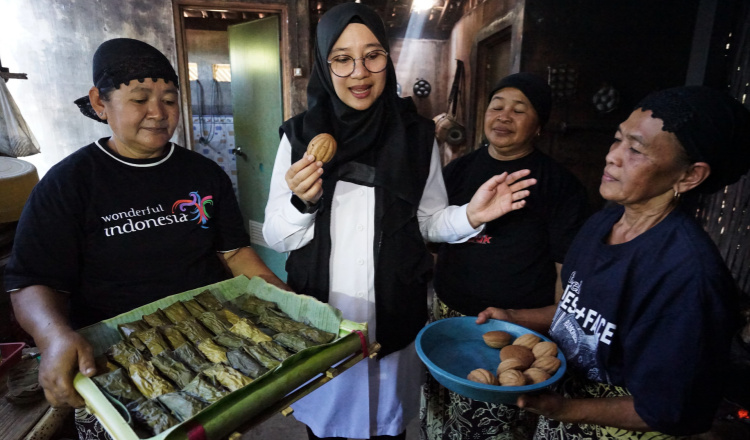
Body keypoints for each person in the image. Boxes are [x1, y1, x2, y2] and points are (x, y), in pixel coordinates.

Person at [262, 4, 536, 439]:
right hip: (324, 316)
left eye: (373, 55)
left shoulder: (415, 134)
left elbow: (427, 221)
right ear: (323, 64)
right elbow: (277, 237)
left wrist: (471, 215)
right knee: (325, 426)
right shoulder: (298, 137)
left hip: (394, 312)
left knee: (388, 428)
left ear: (387, 60)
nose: (360, 72)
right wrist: (301, 201)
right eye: (342, 58)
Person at [4, 38, 285, 438]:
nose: (158, 113)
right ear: (99, 102)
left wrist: (281, 294)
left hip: (209, 350)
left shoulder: (204, 175)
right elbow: (31, 281)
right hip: (113, 362)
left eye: (169, 99)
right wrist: (52, 336)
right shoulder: (69, 184)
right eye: (140, 98)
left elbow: (234, 252)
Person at [476, 85, 750, 438]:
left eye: (635, 149)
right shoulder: (604, 223)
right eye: (617, 139)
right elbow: (577, 315)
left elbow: (670, 410)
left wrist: (564, 408)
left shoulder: (687, 278)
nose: (613, 156)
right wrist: (513, 317)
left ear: (689, 175)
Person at [421, 73, 590, 440]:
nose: (503, 116)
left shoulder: (560, 186)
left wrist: (527, 320)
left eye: (519, 109)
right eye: (496, 106)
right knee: (440, 417)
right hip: (447, 318)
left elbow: (568, 283)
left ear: (539, 126)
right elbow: (433, 241)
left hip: (513, 332)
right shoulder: (458, 171)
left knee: (492, 427)